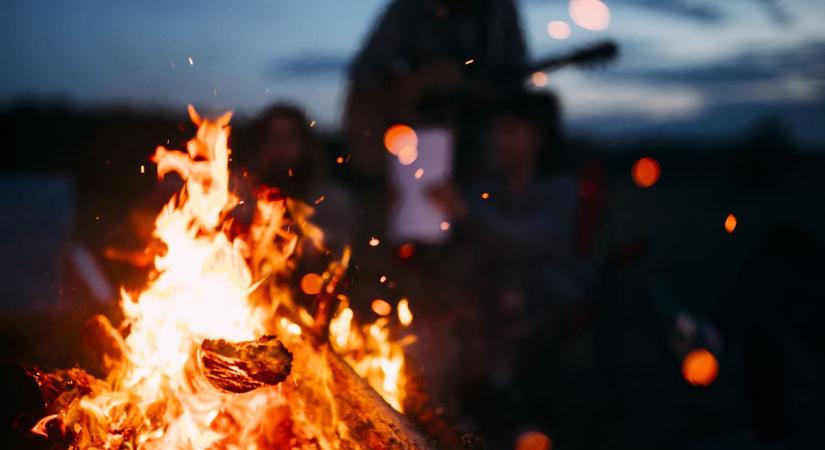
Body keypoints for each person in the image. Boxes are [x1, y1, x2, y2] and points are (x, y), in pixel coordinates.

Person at [428, 92, 595, 440]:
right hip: (494, 291)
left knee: (518, 307)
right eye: (496, 132)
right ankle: (469, 410)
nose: (498, 140)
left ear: (539, 136)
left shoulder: (559, 189)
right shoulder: (488, 188)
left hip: (549, 292)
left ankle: (532, 422)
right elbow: (465, 238)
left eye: (510, 131)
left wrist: (466, 214)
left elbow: (528, 241)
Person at [343, 0, 527, 178]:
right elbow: (364, 74)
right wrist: (415, 88)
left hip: (480, 132)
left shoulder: (497, 9)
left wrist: (470, 86)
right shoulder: (408, 9)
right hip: (420, 136)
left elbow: (514, 76)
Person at [248, 104, 359, 254]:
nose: (281, 146)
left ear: (305, 143)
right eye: (273, 137)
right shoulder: (241, 200)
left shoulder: (333, 201)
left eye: (288, 137)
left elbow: (345, 254)